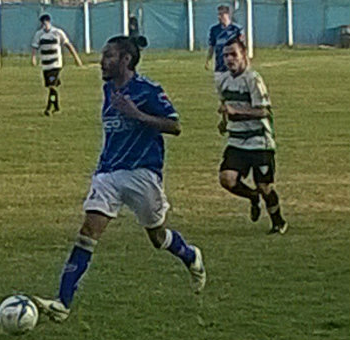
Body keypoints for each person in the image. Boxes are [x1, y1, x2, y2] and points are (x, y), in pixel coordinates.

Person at [31, 36, 205, 323]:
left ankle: (190, 255)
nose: (102, 61)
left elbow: (175, 125)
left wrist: (136, 114)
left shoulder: (148, 90)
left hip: (143, 174)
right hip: (108, 173)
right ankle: (62, 303)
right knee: (88, 231)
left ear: (126, 59)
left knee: (158, 237)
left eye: (109, 55)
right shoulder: (108, 88)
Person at [216, 38, 288, 234]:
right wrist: (224, 122)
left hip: (259, 142)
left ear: (244, 56)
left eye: (233, 55)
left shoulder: (253, 80)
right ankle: (252, 197)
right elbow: (226, 106)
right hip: (237, 140)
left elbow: (264, 112)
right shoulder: (222, 80)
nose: (229, 59)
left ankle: (278, 222)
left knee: (265, 186)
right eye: (226, 55)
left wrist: (236, 112)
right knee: (226, 179)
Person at [30, 14, 83, 116]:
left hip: (56, 64)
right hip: (45, 65)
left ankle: (48, 108)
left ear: (49, 22)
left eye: (46, 22)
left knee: (52, 86)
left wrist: (76, 58)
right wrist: (33, 58)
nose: (45, 25)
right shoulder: (39, 34)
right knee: (52, 88)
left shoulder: (57, 33)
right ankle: (56, 107)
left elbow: (68, 45)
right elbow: (35, 47)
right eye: (43, 22)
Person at [205, 4, 243, 76]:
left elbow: (242, 47)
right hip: (220, 65)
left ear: (228, 15)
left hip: (234, 65)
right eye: (218, 14)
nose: (219, 17)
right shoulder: (214, 30)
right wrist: (208, 60)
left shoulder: (236, 29)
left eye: (221, 14)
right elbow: (212, 46)